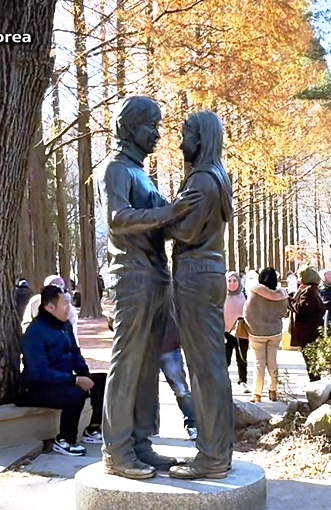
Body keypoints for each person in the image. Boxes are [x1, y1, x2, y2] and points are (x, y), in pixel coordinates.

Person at [98, 95, 200, 480]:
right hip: (132, 276)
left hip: (157, 277)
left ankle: (140, 443)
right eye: (151, 126)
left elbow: (166, 222)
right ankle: (117, 450)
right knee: (127, 363)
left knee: (146, 367)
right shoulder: (115, 169)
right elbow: (118, 218)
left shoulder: (141, 173)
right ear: (130, 127)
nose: (157, 134)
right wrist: (169, 211)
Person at [165, 110, 235, 480]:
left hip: (195, 273)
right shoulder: (217, 176)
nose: (180, 142)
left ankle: (211, 456)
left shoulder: (202, 181)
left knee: (204, 368)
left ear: (202, 138)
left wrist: (163, 216)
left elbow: (186, 230)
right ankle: (219, 448)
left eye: (186, 134)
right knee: (210, 367)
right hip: (210, 272)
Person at [20, 285, 105, 456]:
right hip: (37, 388)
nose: (70, 308)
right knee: (75, 394)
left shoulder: (64, 326)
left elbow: (74, 352)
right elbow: (39, 373)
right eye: (65, 303)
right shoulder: (35, 333)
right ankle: (65, 440)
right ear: (50, 307)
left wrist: (83, 373)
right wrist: (74, 380)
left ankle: (93, 428)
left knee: (101, 380)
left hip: (62, 381)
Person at [244, 267, 288, 403]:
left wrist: (251, 326)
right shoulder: (282, 295)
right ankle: (273, 391)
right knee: (273, 362)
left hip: (257, 333)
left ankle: (257, 394)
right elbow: (284, 313)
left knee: (259, 364)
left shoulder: (255, 291)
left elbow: (247, 311)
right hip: (275, 332)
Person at [160, 303, 198, 441]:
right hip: (144, 349)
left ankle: (192, 423)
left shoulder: (172, 292)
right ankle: (146, 428)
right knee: (144, 393)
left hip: (169, 348)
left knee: (181, 389)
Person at [290, 266, 326, 382]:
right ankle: (315, 380)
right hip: (311, 331)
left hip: (308, 332)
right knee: (310, 358)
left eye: (301, 277)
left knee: (310, 359)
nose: (299, 280)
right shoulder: (311, 289)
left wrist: (290, 301)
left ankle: (315, 382)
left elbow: (301, 308)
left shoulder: (309, 291)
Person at [23, 275, 80, 346]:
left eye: (61, 288)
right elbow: (26, 323)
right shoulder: (34, 302)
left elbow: (73, 333)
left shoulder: (69, 309)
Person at [223, 271, 249, 391]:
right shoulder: (221, 296)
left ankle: (243, 381)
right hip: (225, 332)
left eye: (234, 281)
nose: (232, 284)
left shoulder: (244, 295)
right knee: (225, 358)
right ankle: (222, 381)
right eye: (229, 281)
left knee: (242, 358)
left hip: (240, 332)